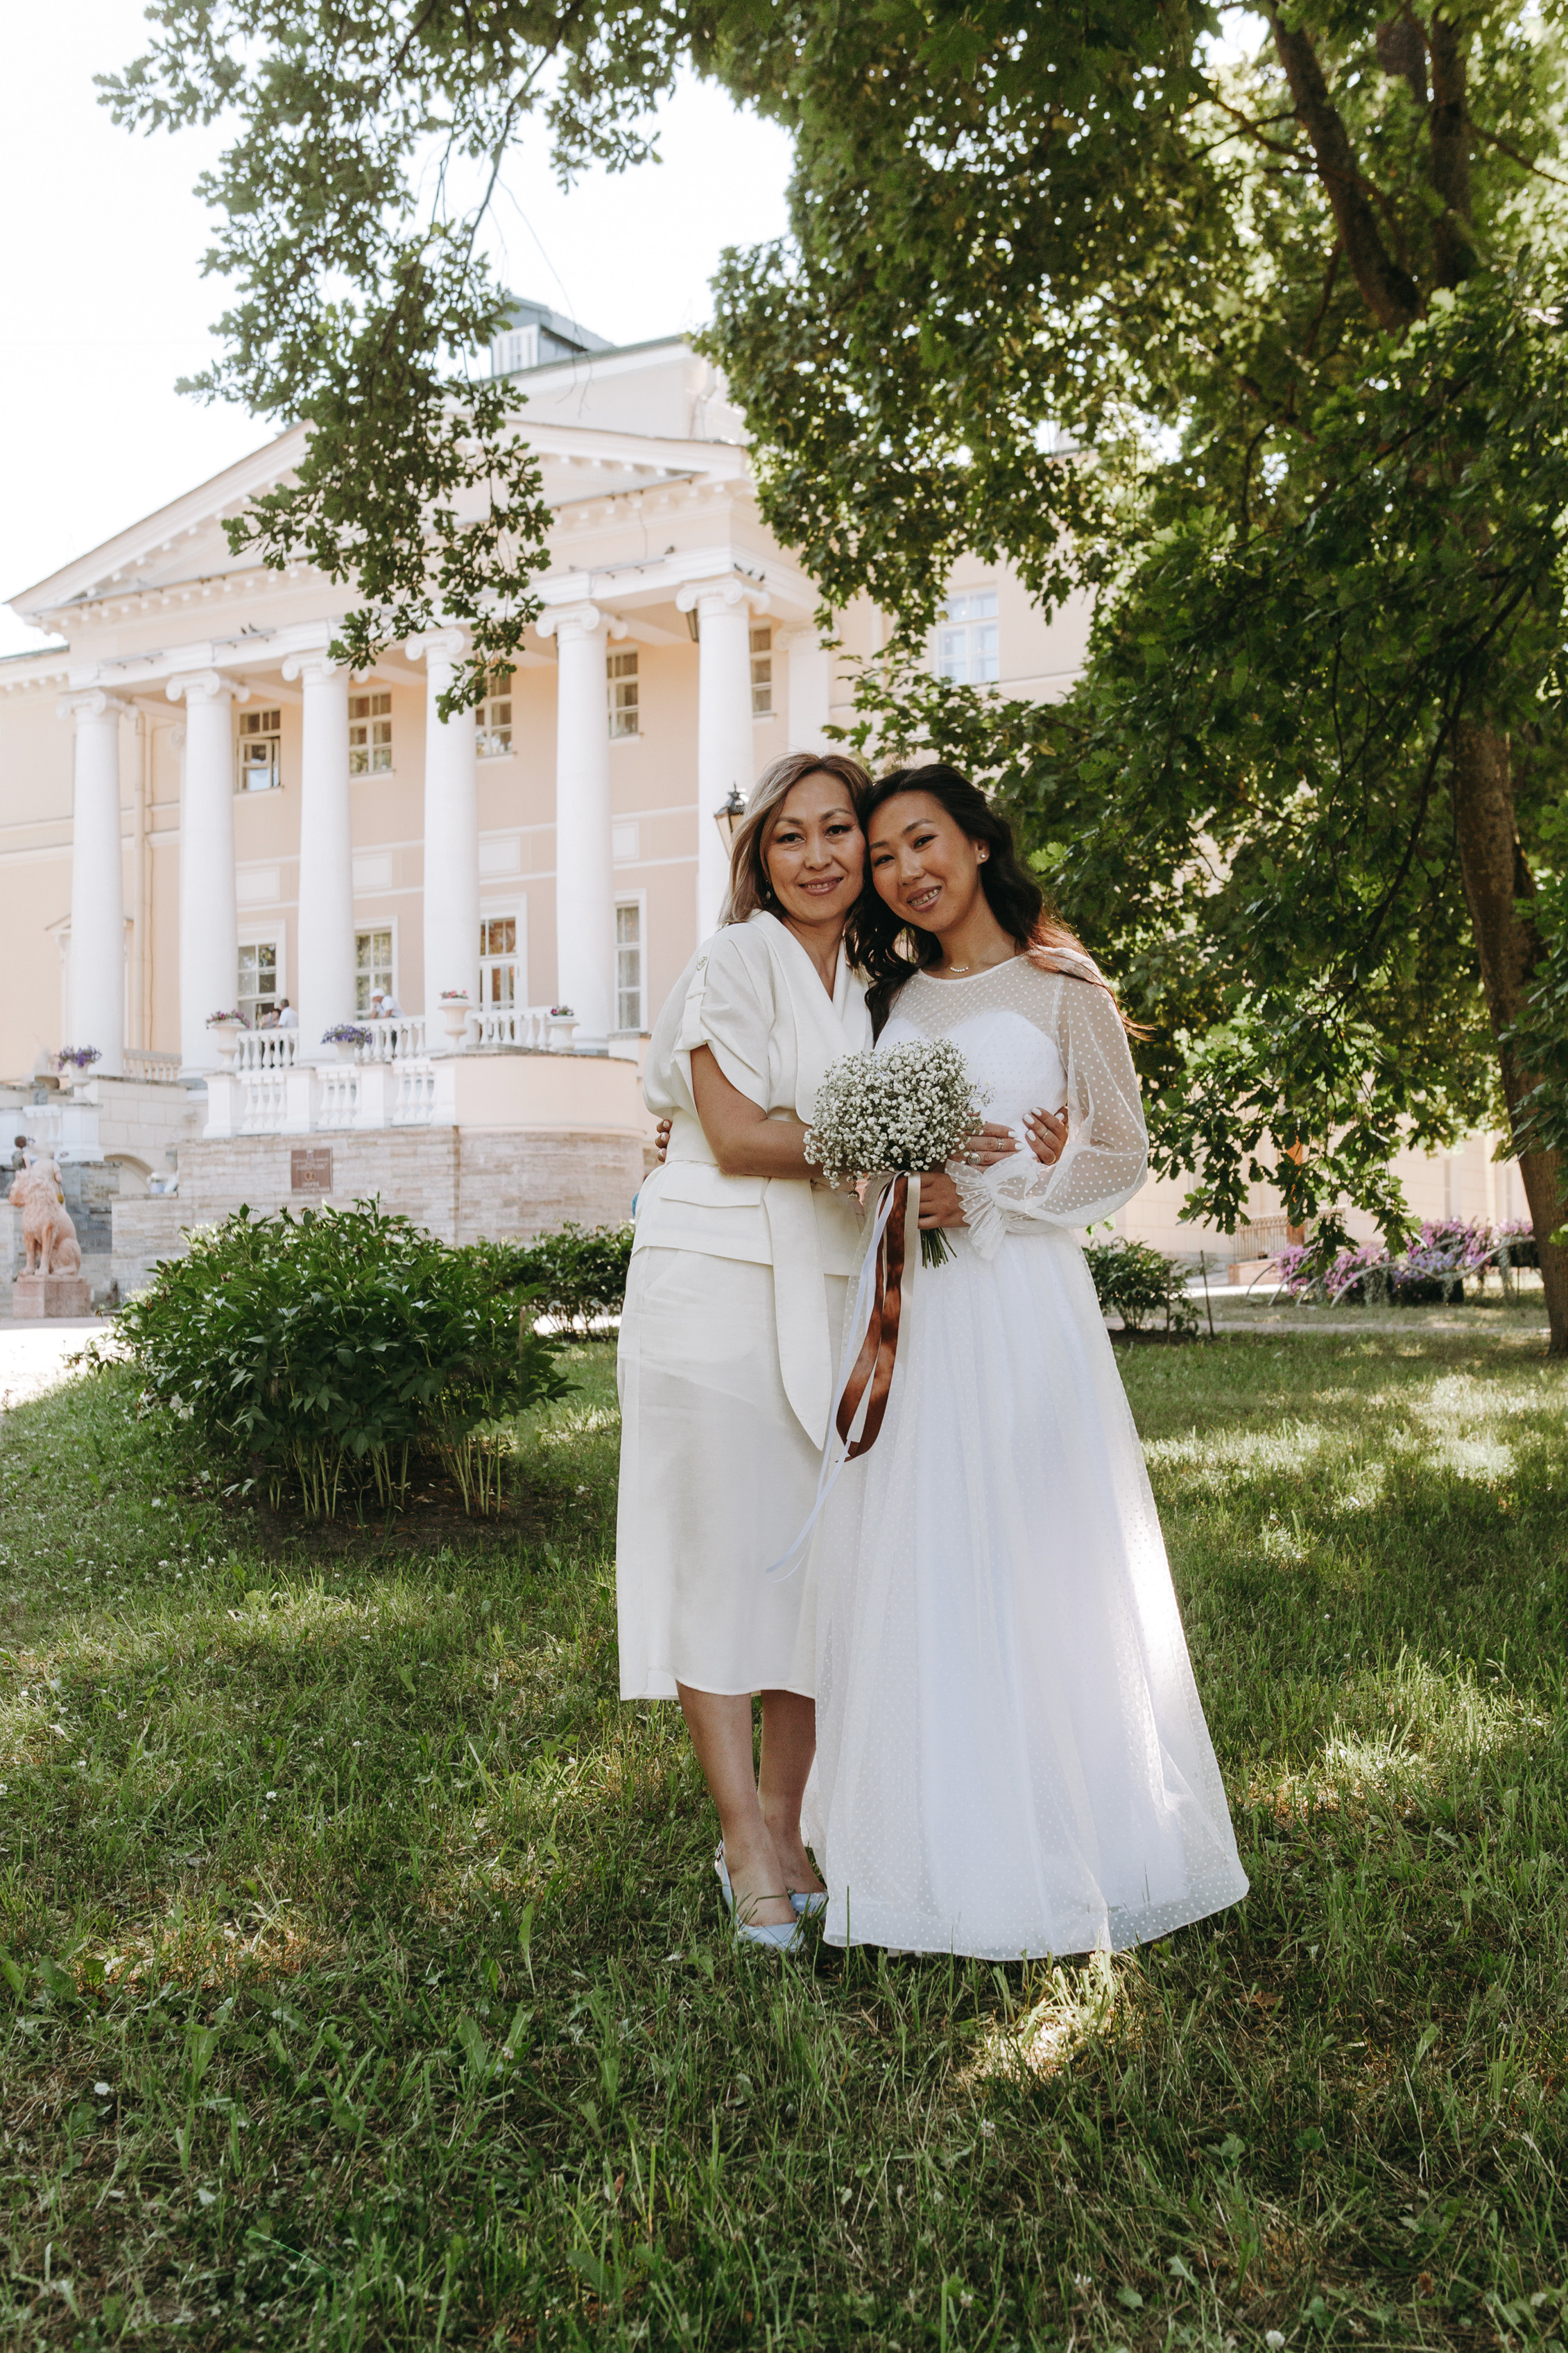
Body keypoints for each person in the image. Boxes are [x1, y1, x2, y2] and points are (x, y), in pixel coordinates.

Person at [808, 763, 1250, 1960]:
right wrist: (897, 1186)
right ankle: (925, 1849)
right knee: (921, 1545)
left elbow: (1119, 1152)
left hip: (1021, 1303)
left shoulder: (1063, 986)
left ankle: (1079, 1831)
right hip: (915, 1313)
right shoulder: (884, 1002)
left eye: (923, 841)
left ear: (976, 842)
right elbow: (854, 1159)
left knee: (1038, 1544)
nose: (905, 871)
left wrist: (1004, 1190)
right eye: (884, 856)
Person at [617, 751, 1042, 1952]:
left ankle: (791, 1824)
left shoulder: (873, 987)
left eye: (838, 831)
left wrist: (995, 1148)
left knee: (819, 1569)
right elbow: (737, 1138)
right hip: (710, 1284)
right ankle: (742, 1841)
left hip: (830, 1287)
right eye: (788, 836)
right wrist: (898, 1142)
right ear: (758, 857)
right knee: (719, 1559)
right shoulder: (733, 960)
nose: (818, 856)